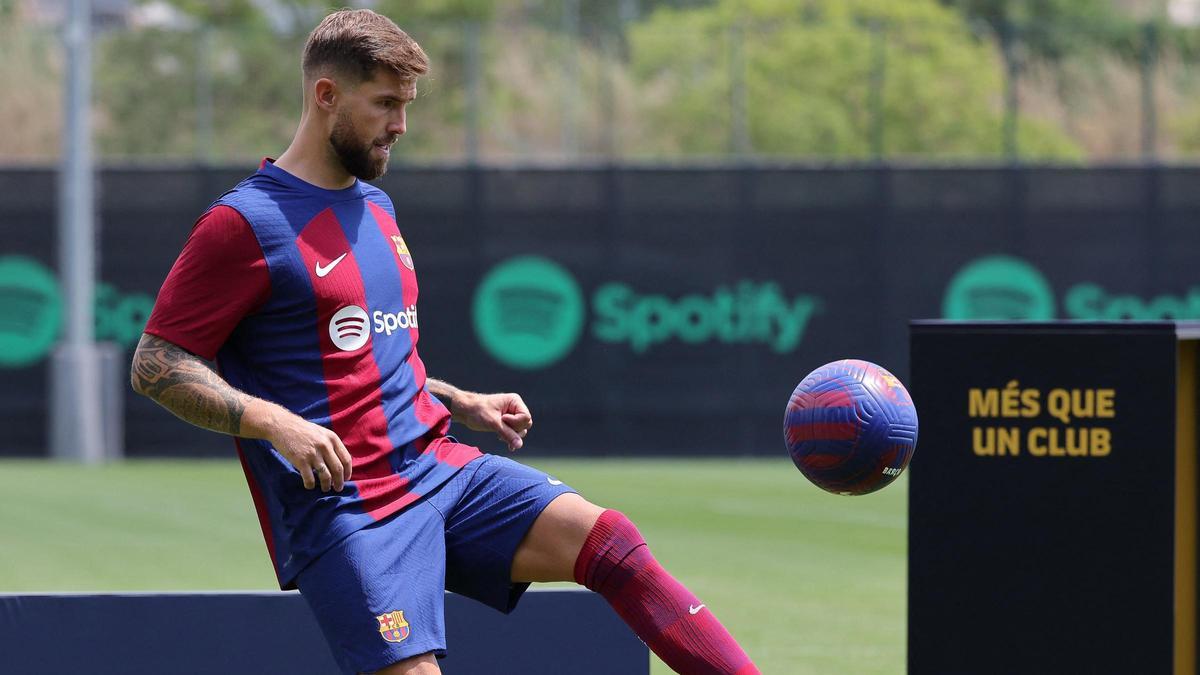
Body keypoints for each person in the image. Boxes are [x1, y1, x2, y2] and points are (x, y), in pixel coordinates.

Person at [130, 9, 759, 675]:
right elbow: (156, 362)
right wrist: (273, 421)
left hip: (440, 469)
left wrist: (459, 399)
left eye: (406, 105)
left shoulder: (377, 206)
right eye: (385, 104)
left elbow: (360, 356)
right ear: (326, 96)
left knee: (611, 542)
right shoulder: (243, 224)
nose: (400, 125)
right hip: (350, 511)